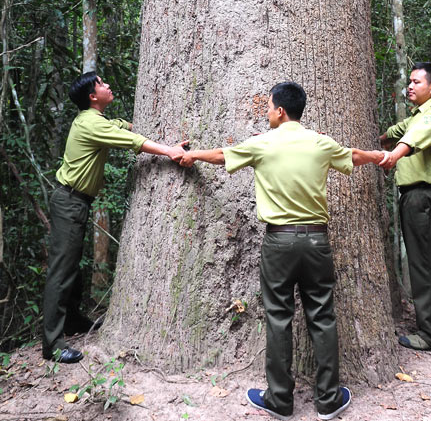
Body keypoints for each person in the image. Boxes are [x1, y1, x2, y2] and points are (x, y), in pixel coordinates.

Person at [180, 81, 384, 421]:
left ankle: (280, 400)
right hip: (317, 241)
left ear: (280, 111)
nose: (268, 113)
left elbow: (220, 156)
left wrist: (190, 155)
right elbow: (354, 156)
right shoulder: (320, 142)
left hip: (279, 242)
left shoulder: (263, 143)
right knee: (322, 315)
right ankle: (329, 400)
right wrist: (380, 156)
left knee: (278, 317)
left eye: (269, 107)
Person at [42, 72, 187, 364]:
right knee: (61, 271)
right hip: (69, 201)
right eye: (101, 84)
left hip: (74, 201)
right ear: (93, 97)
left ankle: (71, 320)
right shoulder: (90, 124)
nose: (107, 85)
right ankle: (52, 344)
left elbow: (121, 127)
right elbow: (132, 141)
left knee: (72, 266)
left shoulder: (95, 120)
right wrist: (169, 151)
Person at [379, 62, 431, 352]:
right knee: (430, 264)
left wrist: (392, 156)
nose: (409, 86)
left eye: (416, 82)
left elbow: (412, 138)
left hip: (423, 196)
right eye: (408, 82)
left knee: (422, 266)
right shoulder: (418, 115)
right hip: (423, 196)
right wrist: (380, 142)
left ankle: (430, 334)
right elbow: (398, 131)